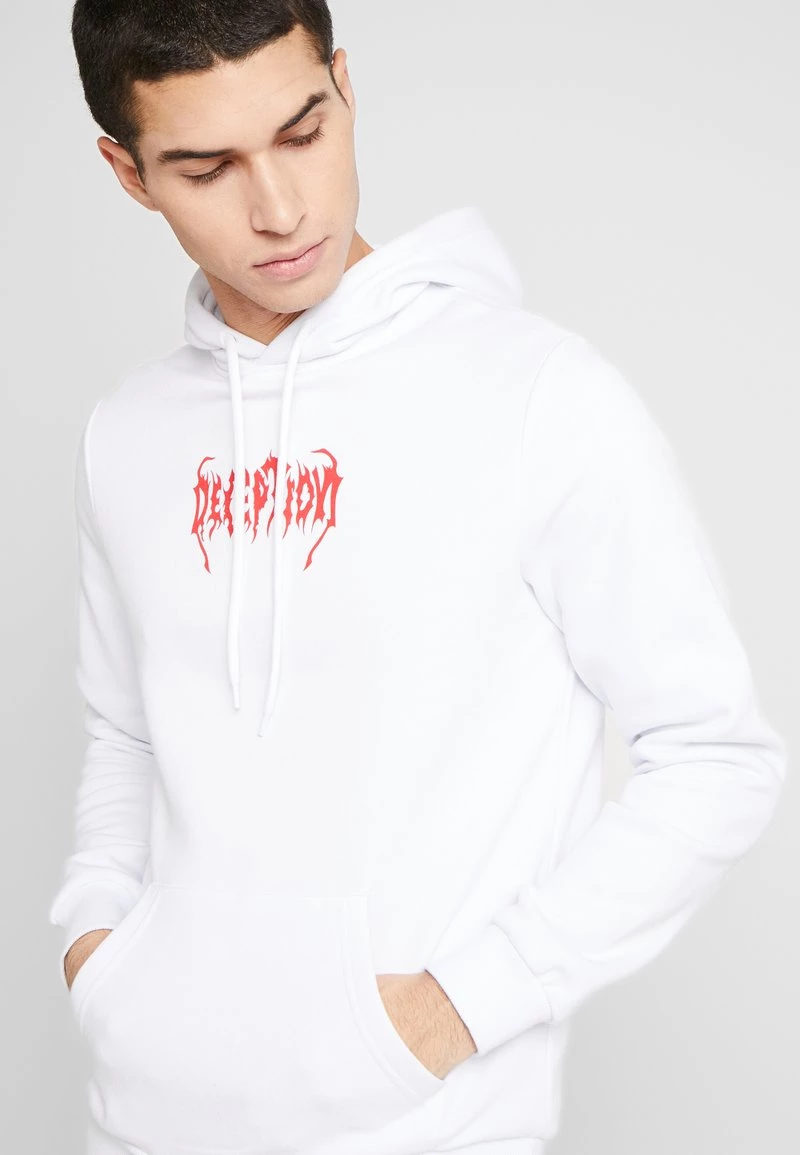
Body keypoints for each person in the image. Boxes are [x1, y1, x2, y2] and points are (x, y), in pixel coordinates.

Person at [48, 3, 787, 1155]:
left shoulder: (536, 399)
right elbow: (127, 731)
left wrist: (456, 1011)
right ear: (129, 173)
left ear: (345, 86)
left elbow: (714, 757)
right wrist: (98, 941)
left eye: (302, 132)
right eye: (207, 167)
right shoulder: (127, 436)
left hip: (426, 1126)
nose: (279, 208)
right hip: (140, 1124)